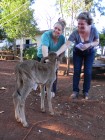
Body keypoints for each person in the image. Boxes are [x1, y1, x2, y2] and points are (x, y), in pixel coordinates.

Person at [56, 12, 99, 100]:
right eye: (78, 24)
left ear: (88, 23)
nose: (79, 26)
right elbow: (67, 44)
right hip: (78, 52)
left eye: (82, 24)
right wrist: (56, 53)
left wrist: (89, 44)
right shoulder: (75, 32)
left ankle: (85, 91)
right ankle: (75, 91)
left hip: (90, 52)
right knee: (76, 71)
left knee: (88, 71)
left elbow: (97, 41)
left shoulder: (93, 30)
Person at [37, 18, 66, 97]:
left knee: (54, 73)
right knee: (43, 73)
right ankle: (43, 90)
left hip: (54, 58)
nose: (56, 30)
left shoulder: (62, 39)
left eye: (59, 29)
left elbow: (62, 51)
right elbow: (44, 50)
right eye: (55, 28)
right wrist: (47, 62)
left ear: (62, 32)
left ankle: (52, 90)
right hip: (42, 56)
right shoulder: (46, 35)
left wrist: (58, 62)